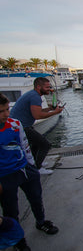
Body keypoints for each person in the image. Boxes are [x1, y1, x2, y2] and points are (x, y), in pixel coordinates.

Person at [0, 93, 59, 250]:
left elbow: (24, 144)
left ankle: (41, 222)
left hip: (25, 170)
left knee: (36, 198)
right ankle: (18, 240)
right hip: (5, 176)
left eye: (7, 109)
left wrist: (32, 166)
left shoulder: (15, 124)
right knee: (11, 210)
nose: (6, 114)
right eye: (1, 111)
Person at [9, 77, 63, 175]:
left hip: (22, 125)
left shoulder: (32, 95)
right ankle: (38, 168)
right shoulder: (35, 97)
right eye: (47, 87)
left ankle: (36, 163)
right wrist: (55, 112)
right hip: (22, 127)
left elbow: (37, 112)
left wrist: (49, 109)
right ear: (38, 87)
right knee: (45, 145)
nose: (49, 89)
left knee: (35, 145)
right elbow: (37, 115)